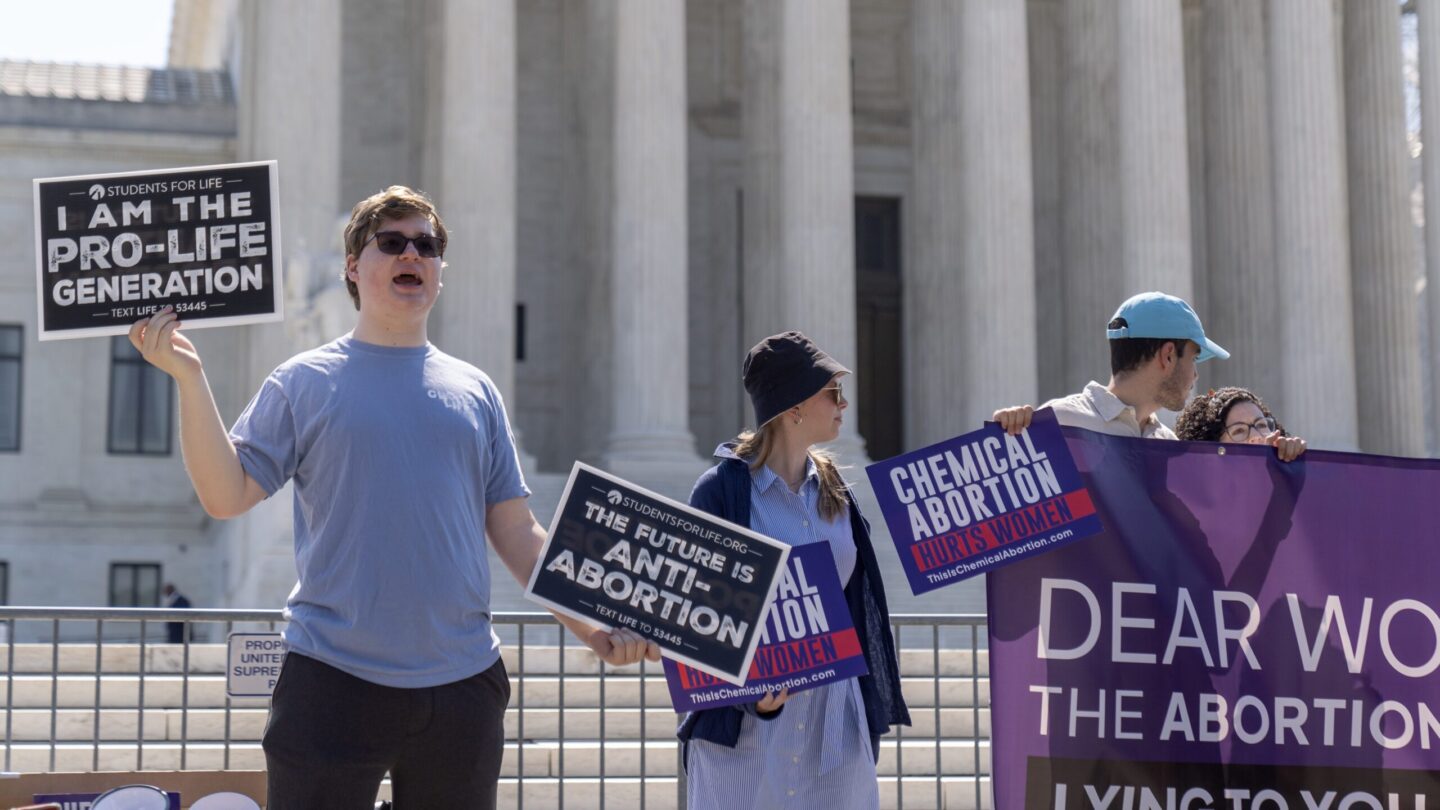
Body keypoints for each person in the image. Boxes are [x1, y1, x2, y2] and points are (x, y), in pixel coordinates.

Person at [128, 185, 656, 809]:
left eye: (427, 246)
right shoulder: (301, 380)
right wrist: (190, 381)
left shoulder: (477, 390)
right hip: (329, 684)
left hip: (461, 691)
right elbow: (227, 494)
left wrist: (594, 626)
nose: (413, 254)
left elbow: (517, 532)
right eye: (393, 242)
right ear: (354, 266)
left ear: (439, 270)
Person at [678, 331, 909, 810]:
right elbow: (696, 615)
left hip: (835, 719)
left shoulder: (837, 490)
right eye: (833, 393)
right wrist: (753, 698)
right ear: (794, 406)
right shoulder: (720, 492)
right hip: (749, 727)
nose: (844, 405)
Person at [991, 291, 1305, 461]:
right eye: (1193, 358)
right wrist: (1007, 442)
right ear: (1168, 356)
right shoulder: (1058, 424)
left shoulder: (1169, 445)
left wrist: (1275, 468)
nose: (1196, 374)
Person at [1174, 386, 1306, 459]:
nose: (1256, 436)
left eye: (1261, 425)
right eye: (1239, 430)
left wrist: (1296, 467)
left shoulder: (1283, 479)